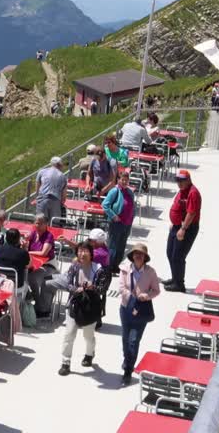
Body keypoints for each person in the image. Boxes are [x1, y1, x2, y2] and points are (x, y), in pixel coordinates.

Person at [56, 241, 102, 375]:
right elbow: (67, 283)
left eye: (85, 251)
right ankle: (65, 362)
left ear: (91, 253)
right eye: (80, 251)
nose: (82, 253)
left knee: (88, 335)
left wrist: (92, 288)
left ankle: (89, 354)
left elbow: (102, 289)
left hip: (90, 307)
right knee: (69, 334)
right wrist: (77, 289)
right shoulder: (74, 267)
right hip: (74, 304)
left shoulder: (98, 269)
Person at [118, 243, 162, 386]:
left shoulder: (151, 272)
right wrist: (132, 299)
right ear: (132, 256)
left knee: (134, 341)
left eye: (141, 254)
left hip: (141, 311)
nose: (138, 256)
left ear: (145, 257)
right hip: (126, 308)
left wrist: (146, 296)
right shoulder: (124, 269)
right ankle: (127, 360)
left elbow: (156, 290)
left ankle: (128, 371)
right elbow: (121, 287)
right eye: (135, 253)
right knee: (125, 338)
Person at [164, 170, 202, 292]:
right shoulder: (182, 191)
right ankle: (175, 278)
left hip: (187, 228)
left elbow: (191, 213)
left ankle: (179, 284)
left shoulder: (193, 193)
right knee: (170, 253)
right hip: (177, 226)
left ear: (188, 180)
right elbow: (179, 208)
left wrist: (183, 229)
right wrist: (174, 223)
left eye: (182, 180)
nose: (179, 183)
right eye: (177, 180)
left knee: (178, 256)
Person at [101, 169, 135, 269]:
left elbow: (132, 206)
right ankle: (109, 266)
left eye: (126, 180)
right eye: (122, 180)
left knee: (122, 246)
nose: (124, 182)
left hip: (127, 224)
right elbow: (105, 205)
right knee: (113, 245)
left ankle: (116, 265)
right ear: (118, 180)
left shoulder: (129, 192)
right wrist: (113, 216)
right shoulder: (114, 191)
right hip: (116, 223)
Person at [34, 157, 67, 221]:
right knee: (55, 224)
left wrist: (37, 198)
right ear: (59, 165)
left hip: (42, 199)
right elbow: (64, 197)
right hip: (55, 201)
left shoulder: (41, 172)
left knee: (40, 221)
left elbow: (37, 187)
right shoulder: (63, 176)